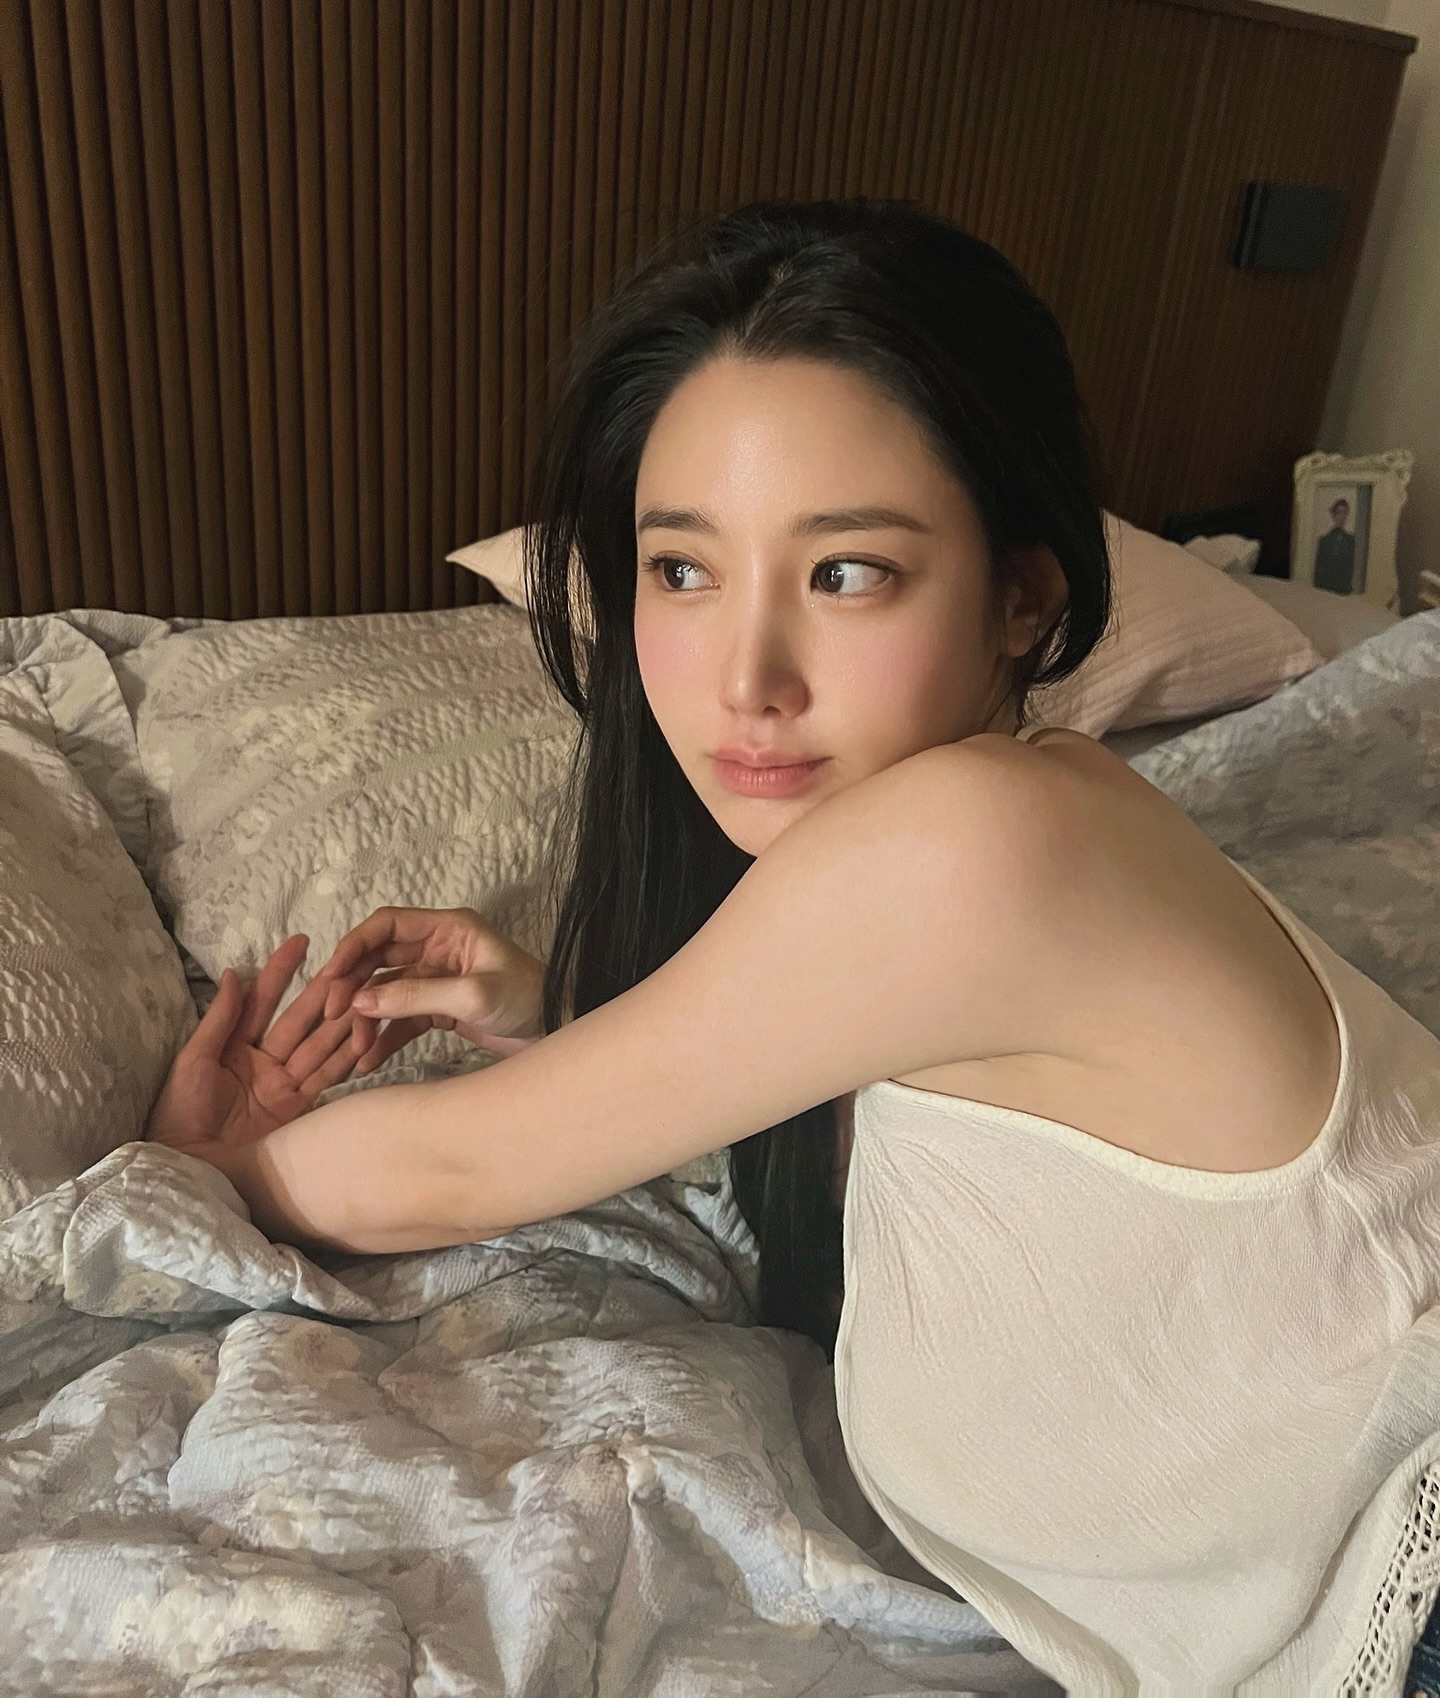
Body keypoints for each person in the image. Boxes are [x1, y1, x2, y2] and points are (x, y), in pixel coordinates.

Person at [144, 198, 1440, 1693]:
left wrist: (208, 1163)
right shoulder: (1006, 836)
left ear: (1024, 596)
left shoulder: (975, 843)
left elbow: (451, 1169)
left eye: (847, 573)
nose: (745, 679)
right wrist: (565, 1011)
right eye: (682, 571)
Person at [1313, 494, 1359, 593]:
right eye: (1339, 513)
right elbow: (1318, 568)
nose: (1342, 517)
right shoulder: (1324, 540)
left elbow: (1350, 566)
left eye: (1345, 513)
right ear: (1333, 515)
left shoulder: (1350, 540)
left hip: (1342, 588)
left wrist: (1347, 587)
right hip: (1325, 586)